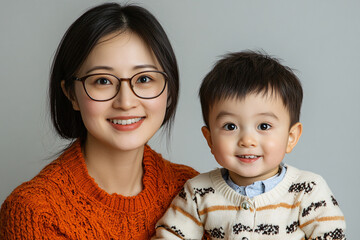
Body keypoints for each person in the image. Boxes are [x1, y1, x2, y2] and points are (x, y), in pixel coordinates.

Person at [0, 3, 198, 239]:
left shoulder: (193, 191)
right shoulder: (35, 212)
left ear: (169, 89)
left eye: (144, 78)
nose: (125, 102)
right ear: (71, 94)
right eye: (103, 81)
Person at [154, 51, 346, 239]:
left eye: (264, 126)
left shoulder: (307, 190)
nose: (247, 140)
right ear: (210, 139)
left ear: (291, 137)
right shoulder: (199, 192)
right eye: (230, 126)